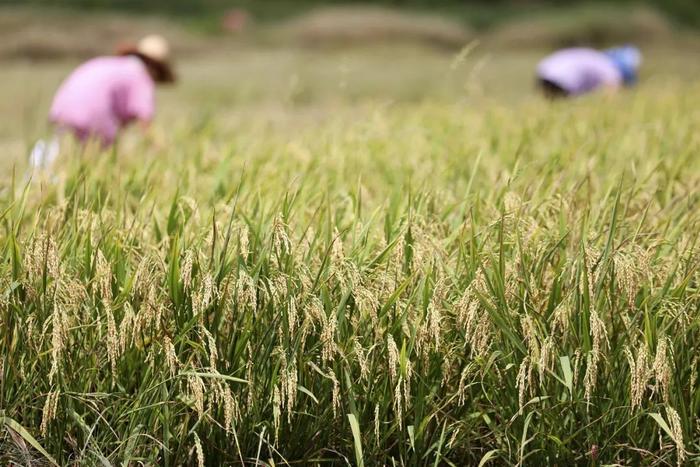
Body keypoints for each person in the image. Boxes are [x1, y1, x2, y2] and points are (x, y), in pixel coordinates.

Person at [29, 35, 175, 174]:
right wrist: (162, 153)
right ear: (155, 68)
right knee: (100, 166)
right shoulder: (141, 77)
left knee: (61, 158)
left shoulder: (108, 63)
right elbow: (145, 124)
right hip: (94, 117)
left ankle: (42, 182)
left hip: (61, 110)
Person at [536, 45, 641, 98]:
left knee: (553, 104)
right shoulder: (608, 66)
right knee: (562, 106)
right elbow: (611, 90)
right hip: (564, 77)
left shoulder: (596, 57)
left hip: (544, 69)